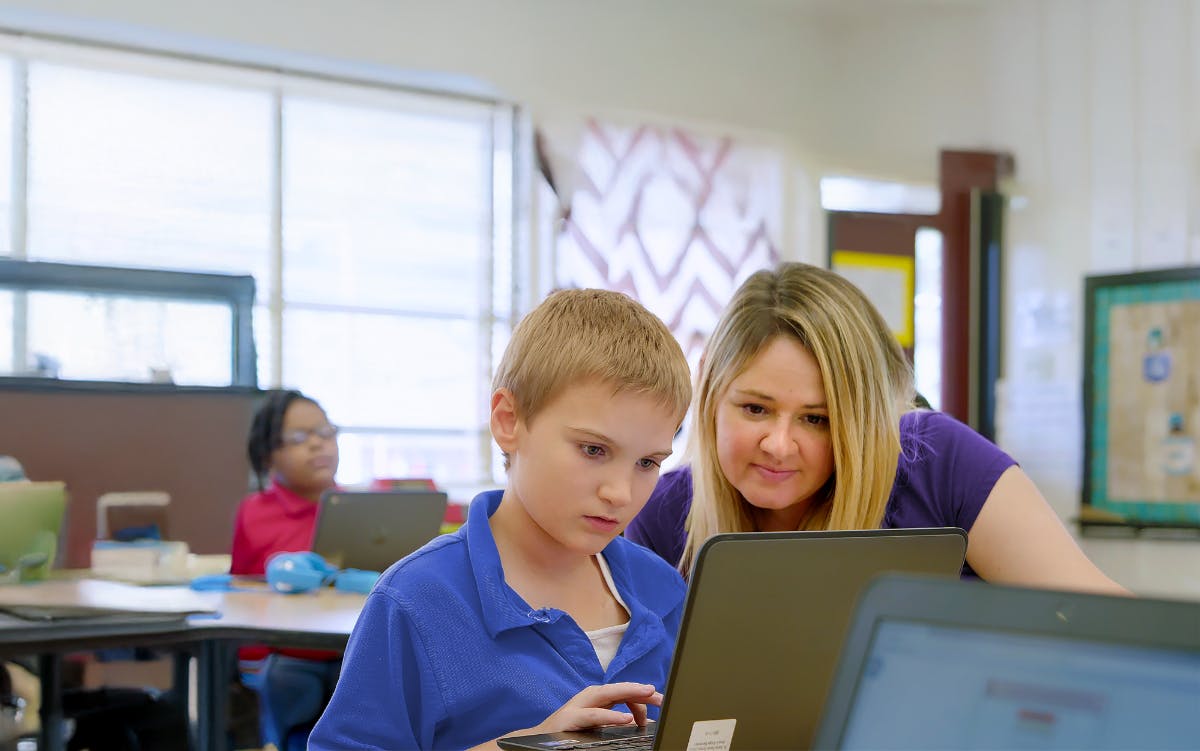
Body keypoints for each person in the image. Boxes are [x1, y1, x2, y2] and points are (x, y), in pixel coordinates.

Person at [308, 288, 693, 750]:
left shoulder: (665, 591)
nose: (621, 492)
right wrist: (524, 746)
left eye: (648, 463)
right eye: (593, 450)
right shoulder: (416, 601)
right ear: (509, 420)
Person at [626, 262, 1126, 594]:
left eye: (816, 419)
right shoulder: (662, 512)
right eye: (755, 409)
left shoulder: (935, 460)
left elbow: (1103, 623)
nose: (779, 444)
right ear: (710, 387)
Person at [231, 388, 342, 751]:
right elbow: (241, 592)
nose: (317, 445)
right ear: (269, 455)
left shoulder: (358, 508)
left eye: (325, 433)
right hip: (284, 654)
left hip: (349, 647)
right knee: (288, 681)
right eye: (299, 438)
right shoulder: (255, 511)